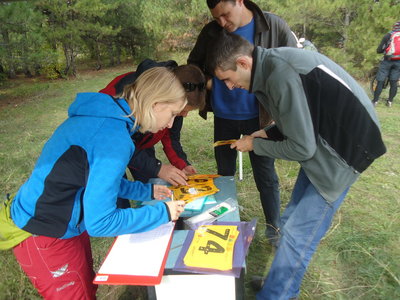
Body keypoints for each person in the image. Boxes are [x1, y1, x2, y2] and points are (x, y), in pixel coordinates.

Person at [206, 31, 386, 300]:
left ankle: (275, 295)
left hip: (344, 152)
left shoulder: (280, 74)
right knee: (289, 222)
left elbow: (302, 147)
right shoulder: (270, 68)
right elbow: (300, 116)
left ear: (243, 63)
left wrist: (255, 145)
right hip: (324, 144)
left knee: (297, 238)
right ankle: (280, 285)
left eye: (228, 79)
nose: (230, 87)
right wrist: (267, 132)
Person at [2, 67, 186, 299]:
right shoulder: (113, 138)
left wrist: (146, 191)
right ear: (156, 104)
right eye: (172, 114)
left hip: (64, 222)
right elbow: (101, 222)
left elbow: (99, 181)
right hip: (43, 231)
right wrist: (163, 213)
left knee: (86, 287)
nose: (170, 124)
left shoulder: (109, 119)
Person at [188, 0, 298, 246]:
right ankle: (225, 226)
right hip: (224, 119)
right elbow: (193, 65)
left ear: (239, 1)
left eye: (225, 15)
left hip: (259, 118)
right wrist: (209, 83)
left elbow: (292, 63)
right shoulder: (211, 32)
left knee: (266, 176)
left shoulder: (273, 26)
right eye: (217, 18)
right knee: (224, 175)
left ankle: (274, 228)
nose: (222, 23)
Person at [100, 59, 206, 187]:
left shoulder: (171, 105)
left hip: (142, 146)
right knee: (114, 188)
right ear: (159, 100)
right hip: (108, 152)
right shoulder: (118, 103)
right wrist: (157, 168)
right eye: (179, 112)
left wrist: (182, 165)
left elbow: (171, 138)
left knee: (150, 186)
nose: (183, 116)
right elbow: (115, 145)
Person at [372, 21, 400, 107]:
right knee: (394, 82)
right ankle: (390, 102)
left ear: (393, 27)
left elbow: (379, 50)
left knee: (380, 81)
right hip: (398, 62)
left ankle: (375, 101)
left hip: (387, 61)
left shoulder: (388, 35)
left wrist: (383, 51)